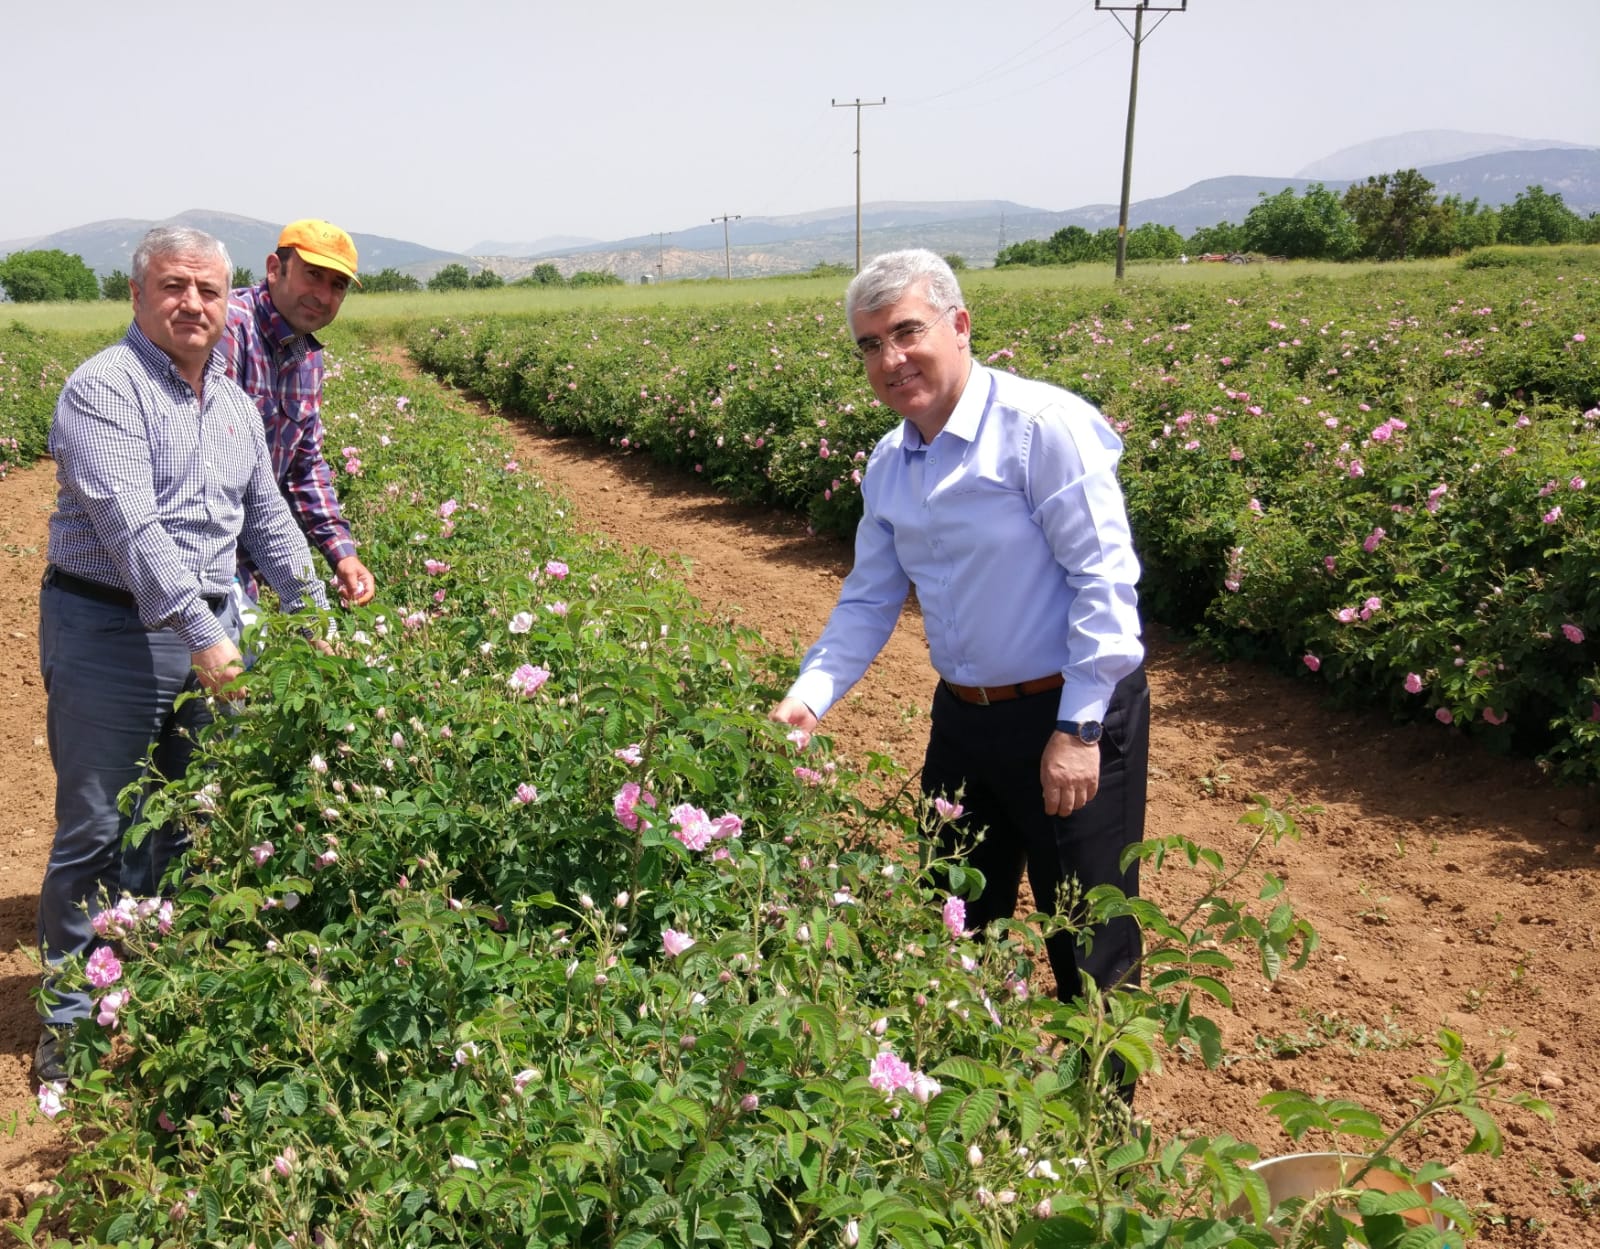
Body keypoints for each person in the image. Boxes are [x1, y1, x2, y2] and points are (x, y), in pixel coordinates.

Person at [769, 250, 1150, 1069]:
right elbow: (871, 597)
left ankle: (1100, 1148)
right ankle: (960, 1121)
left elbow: (1105, 580)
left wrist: (1080, 727)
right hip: (965, 720)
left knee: (1088, 946)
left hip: (1068, 717)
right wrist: (809, 697)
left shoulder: (1042, 429)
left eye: (907, 331)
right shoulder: (890, 460)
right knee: (950, 922)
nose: (891, 358)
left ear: (960, 325)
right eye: (870, 345)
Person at [35, 226, 330, 1084]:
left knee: (180, 823)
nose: (192, 304)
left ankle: (147, 991)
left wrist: (323, 633)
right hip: (110, 629)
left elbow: (271, 525)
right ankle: (70, 1023)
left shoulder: (233, 405)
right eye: (173, 286)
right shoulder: (104, 390)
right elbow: (133, 529)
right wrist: (207, 637)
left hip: (209, 628)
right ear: (137, 296)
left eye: (207, 290)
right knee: (95, 827)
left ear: (227, 300)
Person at [222, 218, 376, 610]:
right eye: (313, 275)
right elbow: (207, 479)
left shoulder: (308, 356)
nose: (323, 295)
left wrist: (342, 552)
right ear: (275, 269)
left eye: (337, 285)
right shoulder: (228, 329)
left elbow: (304, 464)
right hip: (205, 565)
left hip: (248, 562)